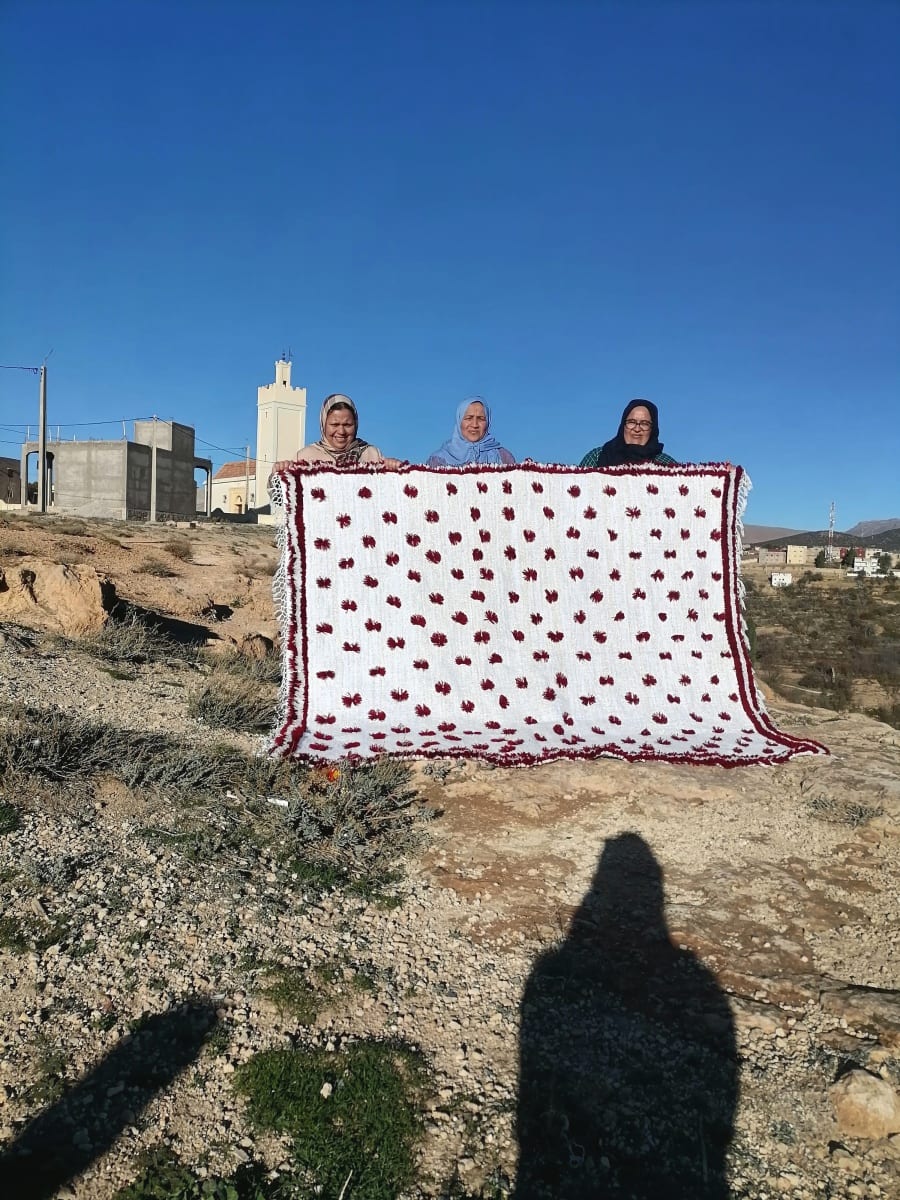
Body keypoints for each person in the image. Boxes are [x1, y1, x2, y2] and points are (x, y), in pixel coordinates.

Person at [271, 393, 401, 473]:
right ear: (323, 424)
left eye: (347, 425)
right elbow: (281, 497)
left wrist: (393, 468)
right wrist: (279, 472)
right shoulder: (305, 456)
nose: (341, 431)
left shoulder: (372, 454)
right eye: (334, 425)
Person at [579, 399, 676, 467]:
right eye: (631, 422)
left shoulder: (667, 464)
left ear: (653, 429)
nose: (637, 429)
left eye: (644, 423)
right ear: (623, 425)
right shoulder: (596, 457)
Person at [427, 397, 516, 466]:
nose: (474, 425)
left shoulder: (503, 456)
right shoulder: (439, 459)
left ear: (488, 422)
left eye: (481, 419)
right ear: (459, 421)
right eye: (468, 418)